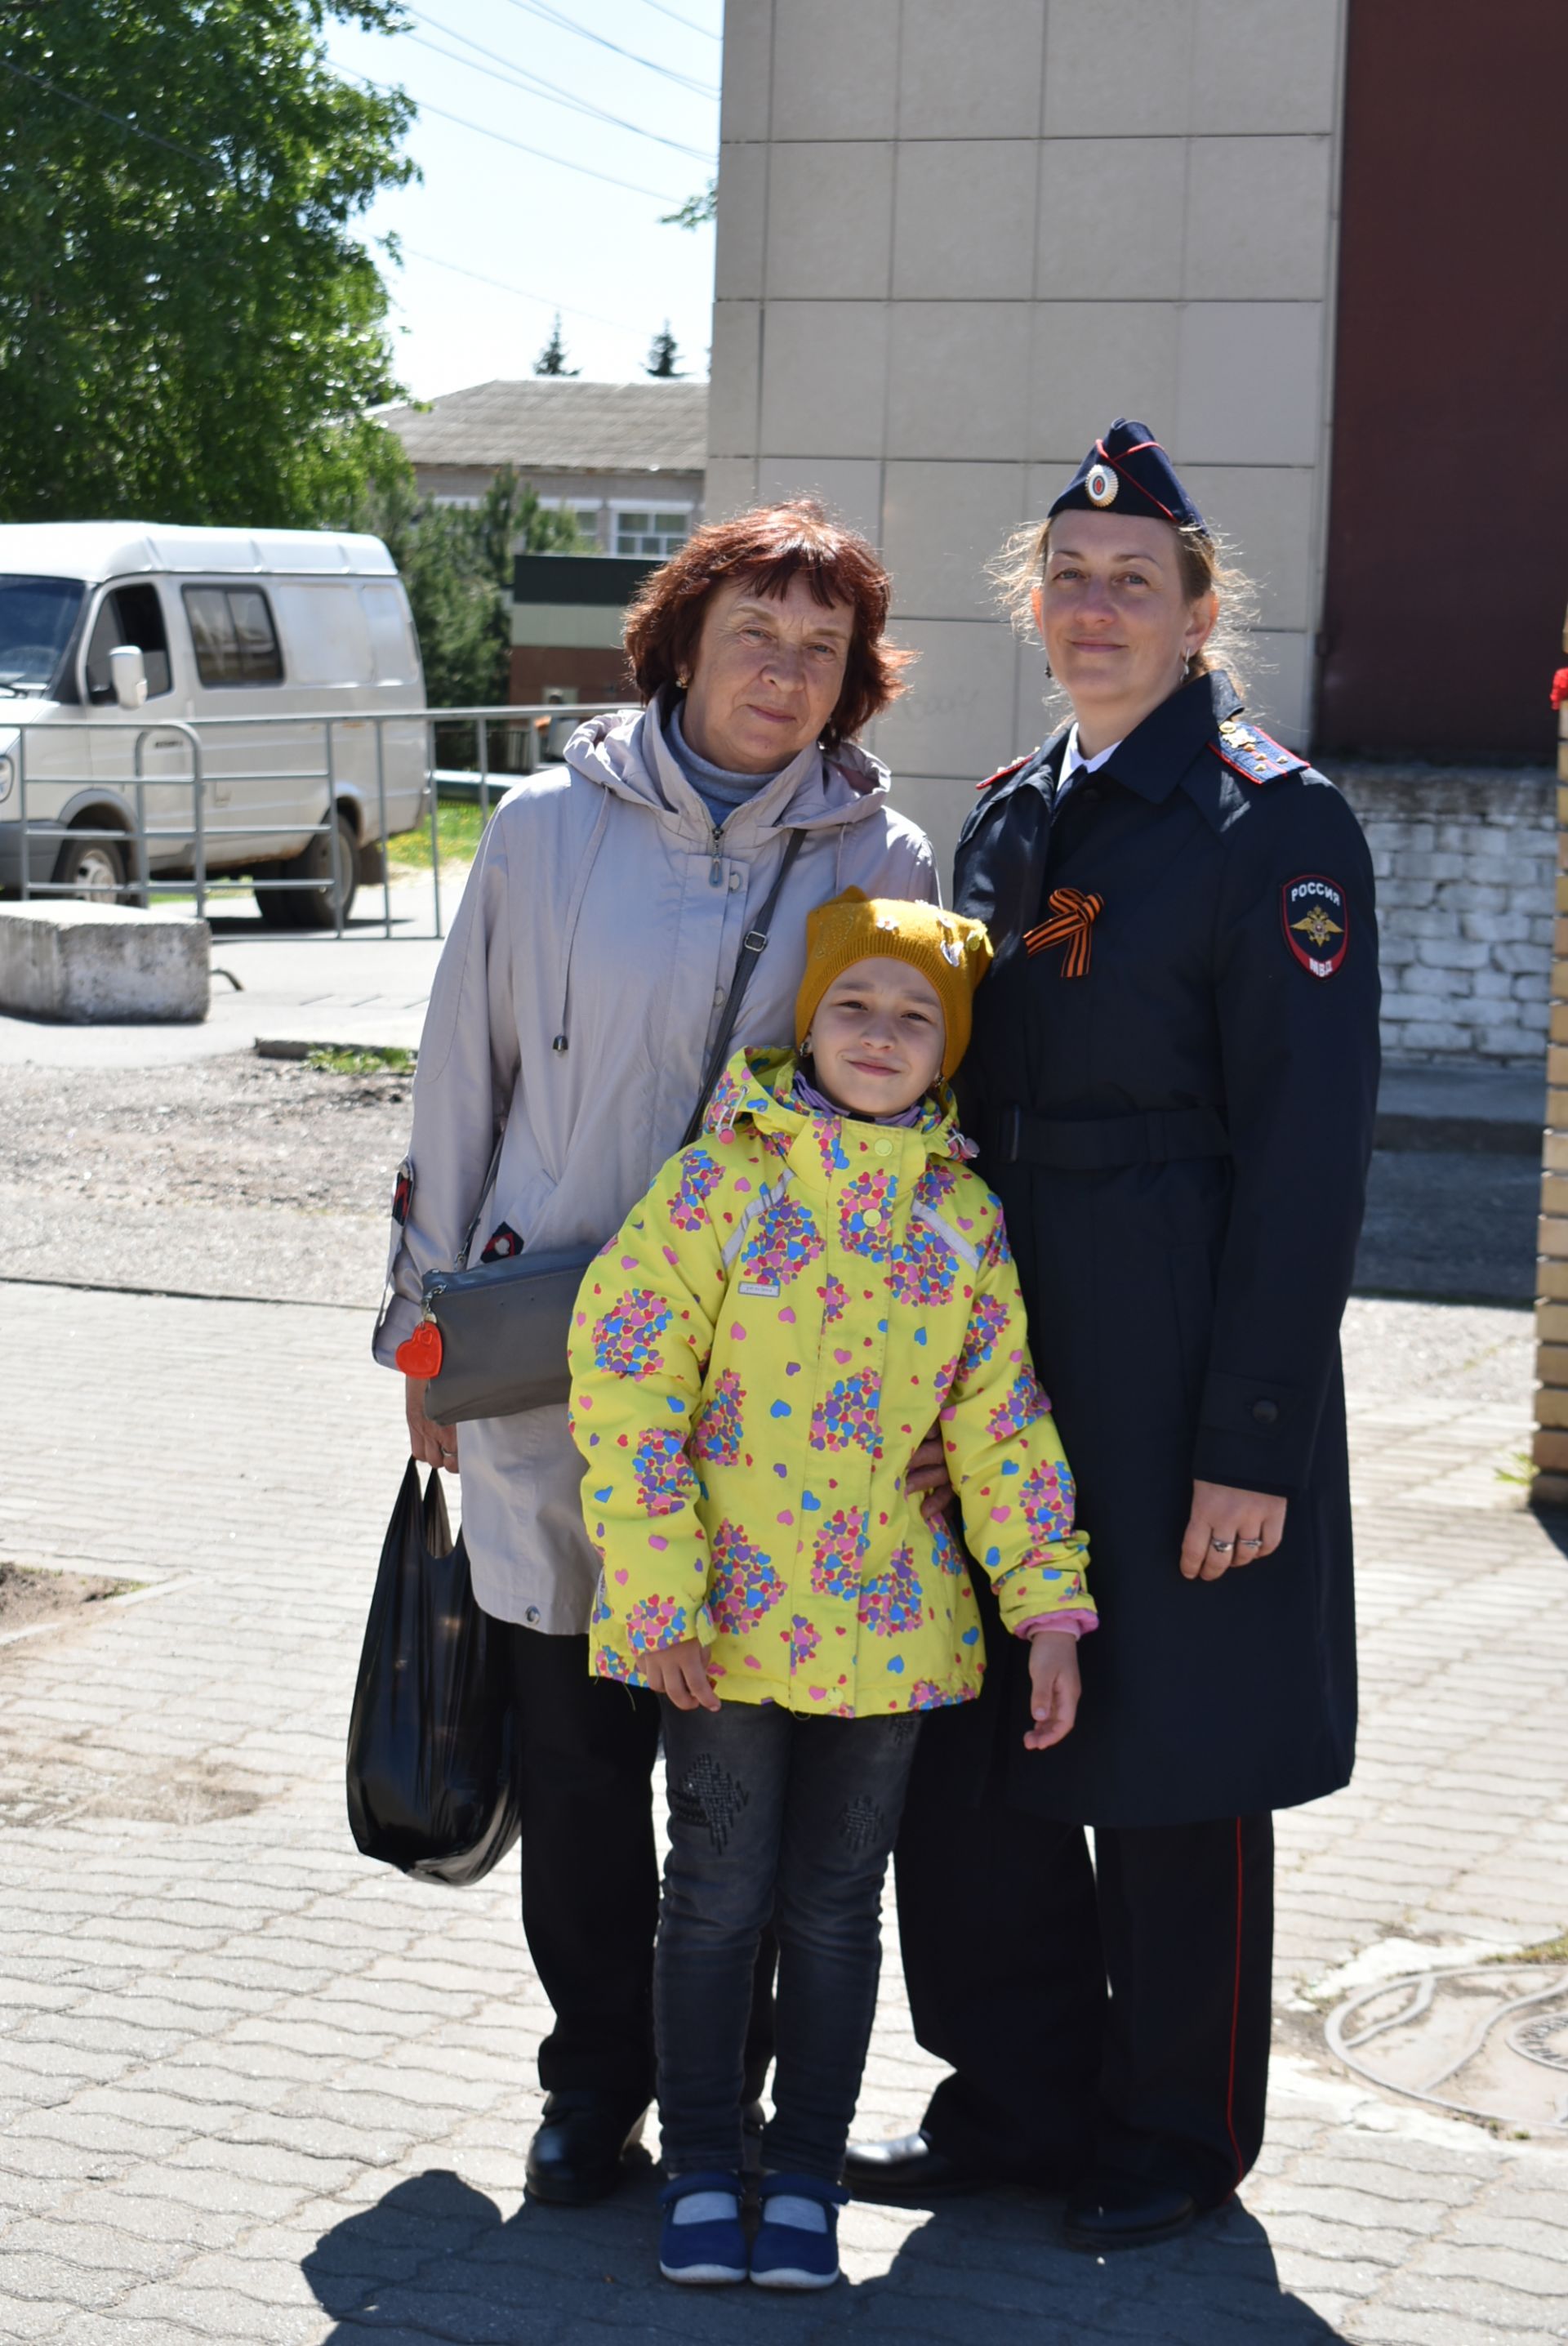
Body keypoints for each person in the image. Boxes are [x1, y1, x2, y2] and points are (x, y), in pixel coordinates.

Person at [846, 420, 1381, 2249]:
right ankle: (1016, 2095)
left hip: (1175, 1346)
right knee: (984, 1731)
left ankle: (1172, 2129)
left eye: (1132, 581)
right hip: (1001, 1349)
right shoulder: (1009, 811)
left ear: (1201, 607)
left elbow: (1309, 1157)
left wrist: (1253, 1431)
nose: (1095, 608)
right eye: (1068, 578)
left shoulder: (1274, 822)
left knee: (1176, 1744)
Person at [374, 502, 940, 2206]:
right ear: (682, 641)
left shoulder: (880, 859)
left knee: (743, 1777)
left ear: (854, 683)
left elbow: (919, 1126)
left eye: (820, 650)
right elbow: (457, 1078)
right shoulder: (548, 830)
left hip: (777, 1412)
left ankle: (729, 2092)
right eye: (755, 635)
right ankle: (593, 2082)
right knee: (577, 1754)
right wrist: (421, 1335)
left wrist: (927, 1403)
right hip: (547, 1371)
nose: (784, 672)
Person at [568, 890, 1095, 2290]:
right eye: (853, 1005)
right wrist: (661, 1595)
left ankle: (802, 2173)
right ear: (810, 1024)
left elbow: (1004, 1424)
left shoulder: (966, 1221)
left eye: (915, 1016)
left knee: (834, 1908)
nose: (879, 1034)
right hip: (723, 1639)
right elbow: (628, 1382)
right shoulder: (719, 1185)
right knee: (717, 1898)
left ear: (949, 1050)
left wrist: (1047, 1607)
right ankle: (698, 2164)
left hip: (891, 1639)